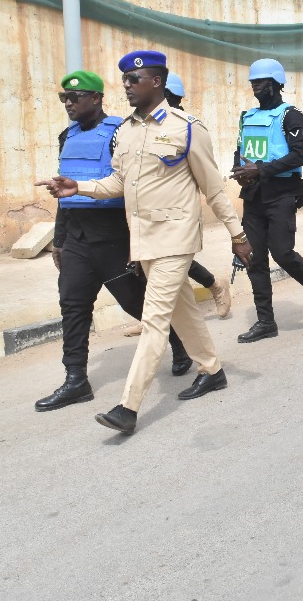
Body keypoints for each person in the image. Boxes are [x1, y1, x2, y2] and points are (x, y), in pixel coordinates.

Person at [36, 50, 253, 435]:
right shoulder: (127, 131)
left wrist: (237, 235)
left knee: (154, 320)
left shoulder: (187, 127)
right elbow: (118, 184)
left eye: (134, 81)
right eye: (124, 81)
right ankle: (213, 370)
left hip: (176, 237)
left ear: (156, 82)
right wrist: (79, 187)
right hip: (144, 240)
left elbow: (214, 189)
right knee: (183, 311)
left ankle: (127, 406)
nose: (127, 87)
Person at [34, 70, 195, 412]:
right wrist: (59, 240)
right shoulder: (67, 136)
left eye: (75, 98)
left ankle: (180, 343)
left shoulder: (120, 133)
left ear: (96, 98)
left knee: (136, 303)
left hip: (112, 236)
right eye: (65, 98)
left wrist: (137, 243)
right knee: (73, 306)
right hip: (77, 237)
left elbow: (133, 187)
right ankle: (76, 380)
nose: (68, 103)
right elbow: (64, 192)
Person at [119, 70, 232, 337]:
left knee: (172, 268)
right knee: (158, 274)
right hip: (145, 217)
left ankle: (213, 287)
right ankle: (158, 320)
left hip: (176, 220)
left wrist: (236, 233)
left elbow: (210, 184)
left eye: (170, 97)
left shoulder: (185, 128)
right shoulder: (135, 128)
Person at [228, 58, 303, 342]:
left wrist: (259, 169)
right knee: (253, 258)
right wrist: (241, 171)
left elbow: (299, 156)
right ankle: (265, 321)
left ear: (275, 84)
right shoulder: (247, 117)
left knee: (283, 253)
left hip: (281, 194)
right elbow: (240, 149)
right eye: (252, 83)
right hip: (253, 196)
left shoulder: (291, 116)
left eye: (259, 82)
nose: (255, 87)